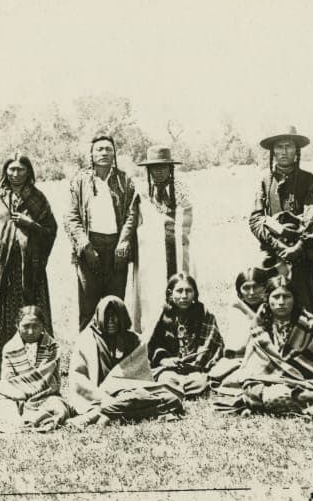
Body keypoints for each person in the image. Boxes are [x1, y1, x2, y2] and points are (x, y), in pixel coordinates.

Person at [0, 153, 58, 359]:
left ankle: (34, 357)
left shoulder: (38, 199)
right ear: (5, 171)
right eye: (11, 169)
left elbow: (50, 230)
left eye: (21, 169)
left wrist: (30, 224)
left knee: (30, 311)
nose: (15, 174)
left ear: (29, 172)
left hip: (29, 271)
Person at [213, 275, 313, 419]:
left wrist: (288, 382)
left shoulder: (307, 324)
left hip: (303, 382)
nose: (281, 302)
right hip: (266, 381)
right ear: (267, 299)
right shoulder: (259, 325)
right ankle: (287, 407)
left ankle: (272, 406)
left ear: (295, 299)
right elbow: (253, 365)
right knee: (255, 392)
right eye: (276, 297)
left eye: (286, 297)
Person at [67, 296, 184, 427]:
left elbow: (143, 372)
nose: (111, 320)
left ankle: (103, 415)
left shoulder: (133, 339)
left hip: (133, 392)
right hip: (103, 396)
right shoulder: (87, 341)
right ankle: (109, 412)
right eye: (107, 315)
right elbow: (79, 380)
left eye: (115, 315)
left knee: (173, 399)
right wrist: (102, 397)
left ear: (123, 316)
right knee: (131, 401)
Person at [248, 125, 313, 317]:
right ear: (273, 151)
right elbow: (256, 220)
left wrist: (296, 247)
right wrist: (277, 245)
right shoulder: (264, 182)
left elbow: (312, 218)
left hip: (303, 254)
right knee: (271, 307)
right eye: (279, 147)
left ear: (296, 150)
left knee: (306, 309)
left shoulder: (310, 180)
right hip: (273, 254)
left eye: (289, 146)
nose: (284, 151)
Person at [64, 135, 140, 331]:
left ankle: (117, 353)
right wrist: (84, 245)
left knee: (115, 303)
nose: (104, 152)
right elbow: (71, 216)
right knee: (89, 305)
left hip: (117, 248)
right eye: (99, 149)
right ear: (91, 154)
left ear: (114, 153)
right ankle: (88, 355)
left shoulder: (125, 180)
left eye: (108, 149)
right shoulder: (80, 181)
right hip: (90, 247)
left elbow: (132, 213)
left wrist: (123, 243)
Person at [127, 146, 195, 332]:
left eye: (163, 167)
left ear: (170, 169)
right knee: (151, 294)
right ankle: (153, 336)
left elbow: (185, 222)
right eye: (154, 167)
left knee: (179, 288)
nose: (158, 171)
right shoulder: (141, 194)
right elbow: (137, 221)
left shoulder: (182, 193)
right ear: (148, 170)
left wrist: (166, 226)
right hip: (150, 257)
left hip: (177, 253)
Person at [0, 306, 73, 432]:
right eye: (26, 326)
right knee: (0, 405)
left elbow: (48, 378)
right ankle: (28, 420)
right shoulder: (10, 348)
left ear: (43, 326)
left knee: (59, 407)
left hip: (46, 396)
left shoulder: (53, 347)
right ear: (17, 325)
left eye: (36, 326)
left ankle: (33, 421)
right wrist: (20, 394)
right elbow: (8, 381)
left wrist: (26, 388)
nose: (31, 332)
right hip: (16, 397)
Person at [147, 273, 225, 398]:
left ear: (195, 293)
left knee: (201, 382)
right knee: (166, 379)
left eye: (189, 291)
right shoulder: (161, 315)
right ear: (170, 293)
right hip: (168, 369)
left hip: (196, 369)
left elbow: (210, 344)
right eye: (179, 291)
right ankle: (175, 388)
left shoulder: (203, 313)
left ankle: (177, 390)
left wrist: (195, 364)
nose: (184, 296)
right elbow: (151, 345)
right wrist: (164, 360)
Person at [211, 265, 273, 383]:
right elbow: (238, 346)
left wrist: (246, 309)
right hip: (241, 359)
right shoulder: (236, 310)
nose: (251, 292)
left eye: (256, 287)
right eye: (246, 288)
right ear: (239, 290)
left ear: (265, 287)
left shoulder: (274, 306)